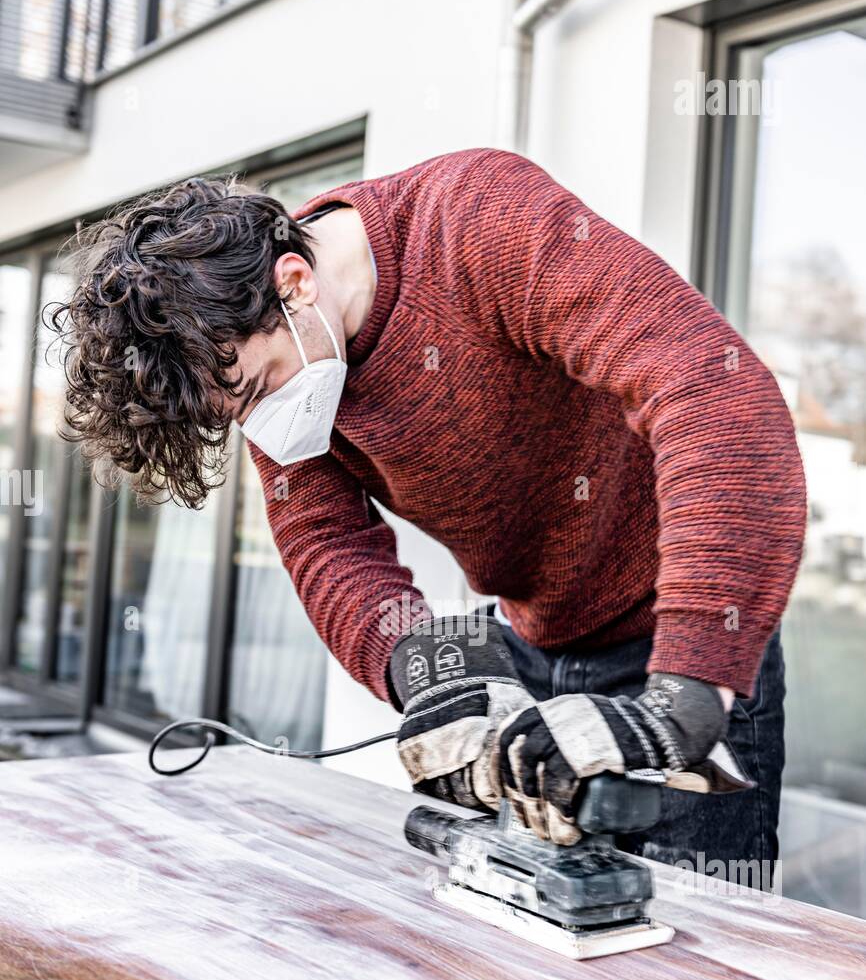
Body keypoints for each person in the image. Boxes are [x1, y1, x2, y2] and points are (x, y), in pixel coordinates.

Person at [54, 148, 806, 886]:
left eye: (255, 393)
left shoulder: (476, 220)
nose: (263, 424)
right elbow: (326, 543)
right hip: (528, 646)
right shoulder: (261, 352)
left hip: (678, 637)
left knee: (702, 949)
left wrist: (689, 689)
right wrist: (425, 665)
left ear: (295, 282)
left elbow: (714, 395)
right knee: (541, 930)